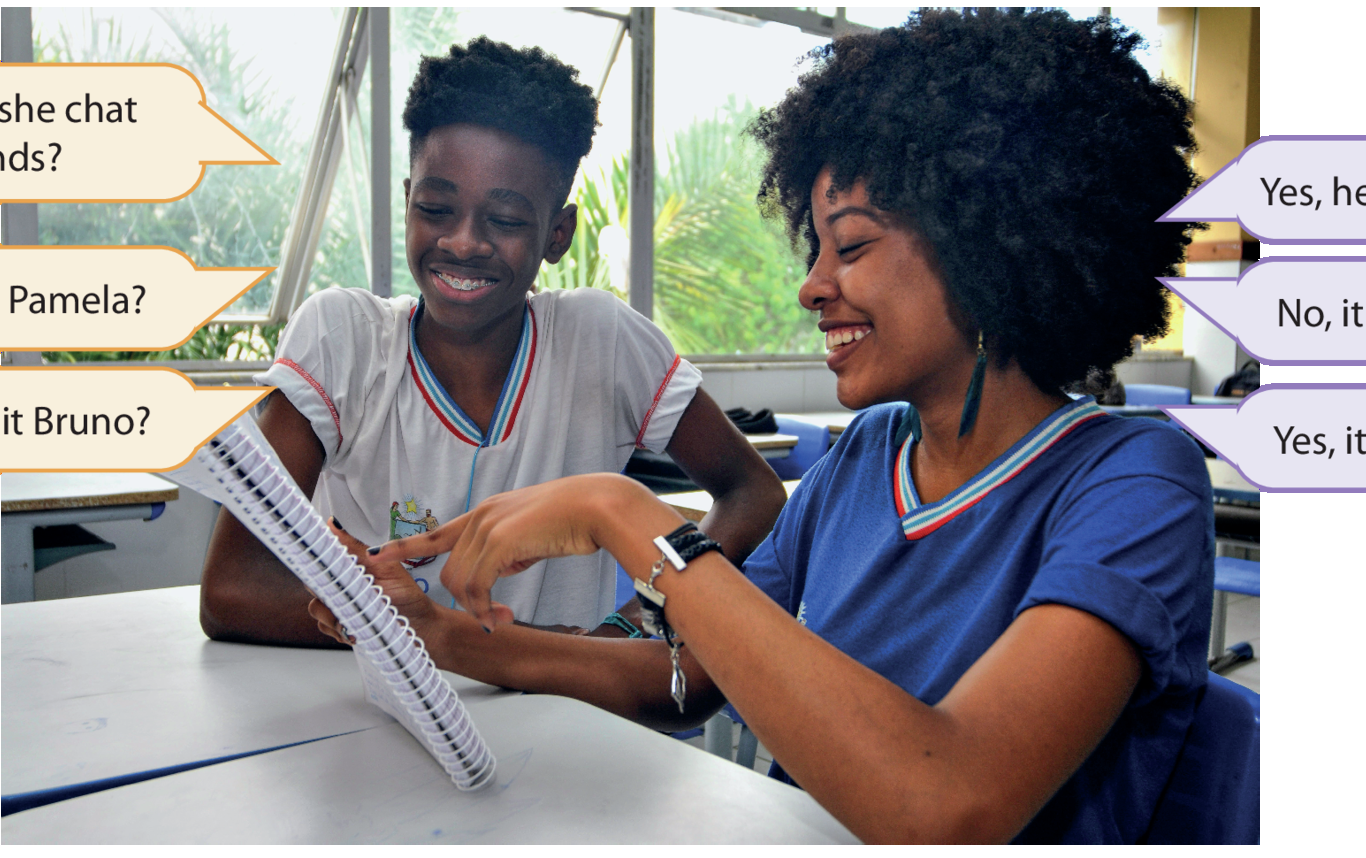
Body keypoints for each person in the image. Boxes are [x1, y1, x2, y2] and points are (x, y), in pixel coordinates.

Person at [314, 10, 1212, 843]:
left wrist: (626, 517)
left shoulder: (1136, 481)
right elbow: (685, 677)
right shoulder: (866, 460)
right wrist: (440, 638)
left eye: (851, 246)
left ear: (991, 247)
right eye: (813, 247)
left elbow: (949, 802)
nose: (813, 285)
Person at [201, 37, 786, 645]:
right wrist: (466, 641)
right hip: (373, 716)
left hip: (558, 713)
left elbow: (755, 494)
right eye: (435, 207)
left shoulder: (600, 340)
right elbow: (233, 590)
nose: (462, 242)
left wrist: (634, 624)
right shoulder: (342, 340)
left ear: (557, 235)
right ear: (407, 203)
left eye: (505, 220)